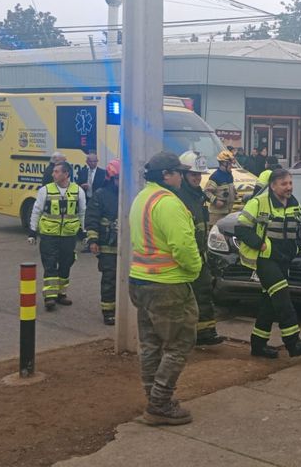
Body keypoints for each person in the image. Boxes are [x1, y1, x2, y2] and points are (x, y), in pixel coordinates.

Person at [128, 151, 202, 426]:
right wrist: (194, 270)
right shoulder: (169, 204)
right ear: (167, 176)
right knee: (179, 343)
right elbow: (183, 246)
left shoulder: (141, 198)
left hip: (140, 281)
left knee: (150, 345)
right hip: (168, 284)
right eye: (179, 172)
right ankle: (160, 402)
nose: (182, 177)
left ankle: (153, 397)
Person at [235, 168, 301, 359]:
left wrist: (295, 250)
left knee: (269, 303)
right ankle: (293, 343)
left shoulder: (295, 204)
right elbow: (241, 229)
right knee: (283, 299)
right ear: (273, 186)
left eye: (290, 183)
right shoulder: (257, 203)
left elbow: (297, 231)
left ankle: (258, 345)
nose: (289, 187)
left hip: (284, 260)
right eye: (284, 184)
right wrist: (260, 245)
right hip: (265, 260)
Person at [176, 151, 224, 346]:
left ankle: (206, 332)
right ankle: (184, 335)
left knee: (203, 291)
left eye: (199, 175)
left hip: (200, 253)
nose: (197, 178)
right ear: (183, 174)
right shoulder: (179, 197)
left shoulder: (198, 195)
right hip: (186, 255)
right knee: (185, 297)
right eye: (193, 174)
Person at [28, 162, 86, 312]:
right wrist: (32, 231)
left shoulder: (78, 191)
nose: (53, 174)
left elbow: (82, 213)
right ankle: (50, 297)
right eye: (53, 171)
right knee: (50, 264)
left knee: (66, 264)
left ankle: (61, 294)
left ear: (66, 174)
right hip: (49, 234)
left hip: (68, 235)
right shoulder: (45, 190)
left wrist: (85, 232)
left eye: (56, 171)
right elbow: (36, 211)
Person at [85, 159, 120, 325]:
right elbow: (91, 218)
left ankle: (122, 307)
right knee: (110, 278)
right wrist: (93, 240)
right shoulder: (101, 195)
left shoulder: (129, 195)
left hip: (127, 247)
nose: (121, 183)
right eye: (118, 179)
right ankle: (108, 311)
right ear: (111, 178)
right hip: (107, 246)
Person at [205, 150, 237, 226]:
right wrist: (215, 201)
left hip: (228, 213)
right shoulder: (215, 177)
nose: (231, 166)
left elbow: (230, 188)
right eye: (230, 164)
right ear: (223, 163)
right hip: (216, 216)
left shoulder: (229, 175)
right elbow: (206, 192)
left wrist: (234, 193)